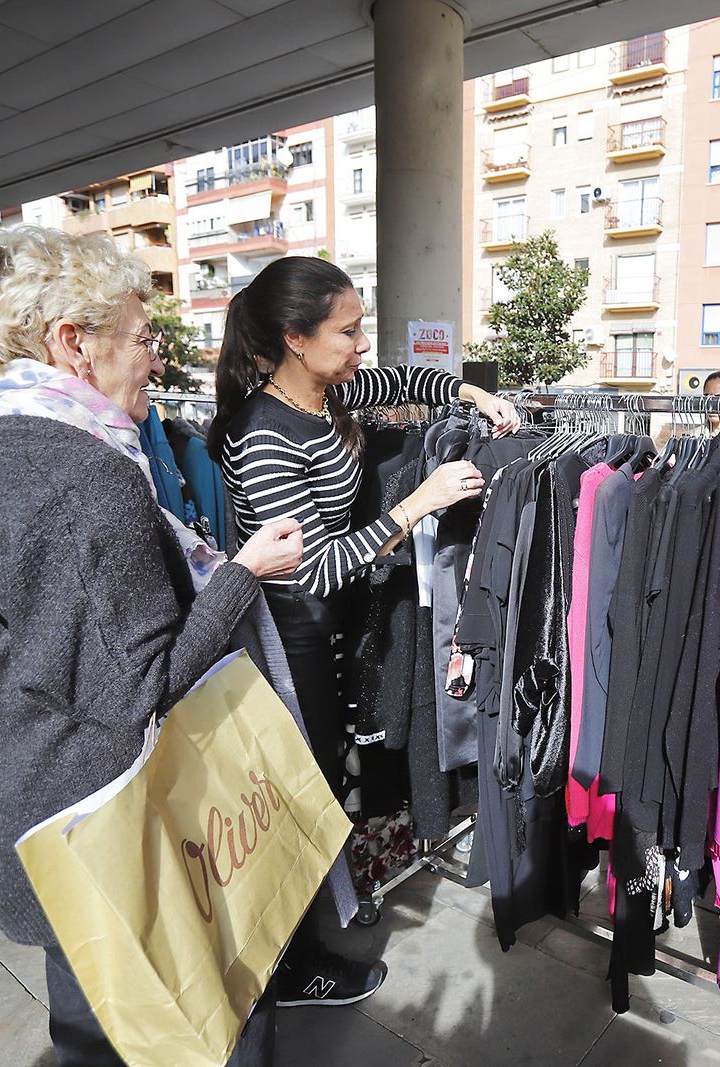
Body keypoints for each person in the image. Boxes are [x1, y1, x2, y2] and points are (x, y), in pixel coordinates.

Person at [0, 228, 302, 1066]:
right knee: (216, 1023)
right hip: (123, 845)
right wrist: (244, 572)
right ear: (74, 343)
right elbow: (150, 687)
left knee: (95, 1032)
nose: (156, 358)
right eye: (143, 337)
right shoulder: (90, 477)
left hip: (17, 839)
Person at [208, 256, 520, 1007]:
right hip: (289, 639)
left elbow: (407, 380)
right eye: (346, 331)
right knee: (295, 798)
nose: (359, 345)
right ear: (295, 337)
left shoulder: (325, 393)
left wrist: (470, 389)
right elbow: (313, 567)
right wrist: (420, 501)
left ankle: (298, 944)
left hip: (331, 632)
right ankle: (286, 968)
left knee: (317, 788)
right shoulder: (262, 433)